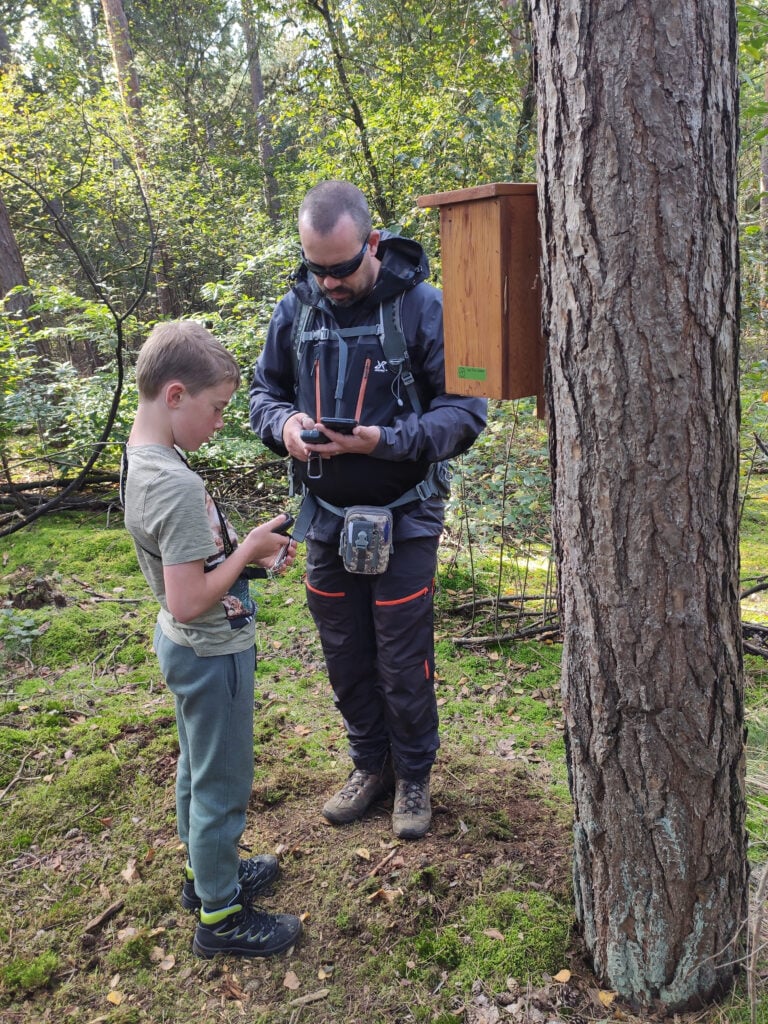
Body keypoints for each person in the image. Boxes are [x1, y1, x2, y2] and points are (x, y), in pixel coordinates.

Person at [249, 181, 487, 840]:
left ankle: (413, 776)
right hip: (323, 513)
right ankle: (368, 766)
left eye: (342, 267)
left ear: (373, 243)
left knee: (401, 655)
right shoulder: (294, 311)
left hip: (406, 513)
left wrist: (386, 442)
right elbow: (261, 393)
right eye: (315, 267)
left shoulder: (425, 308)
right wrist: (285, 426)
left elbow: (467, 412)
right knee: (345, 652)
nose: (328, 282)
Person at [120, 320, 302, 958]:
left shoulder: (144, 459)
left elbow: (189, 574)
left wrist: (240, 557)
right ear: (175, 395)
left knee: (197, 770)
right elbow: (191, 596)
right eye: (217, 408)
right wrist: (249, 547)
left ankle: (206, 879)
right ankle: (221, 919)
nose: (222, 420)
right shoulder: (175, 483)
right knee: (222, 781)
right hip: (210, 649)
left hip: (183, 645)